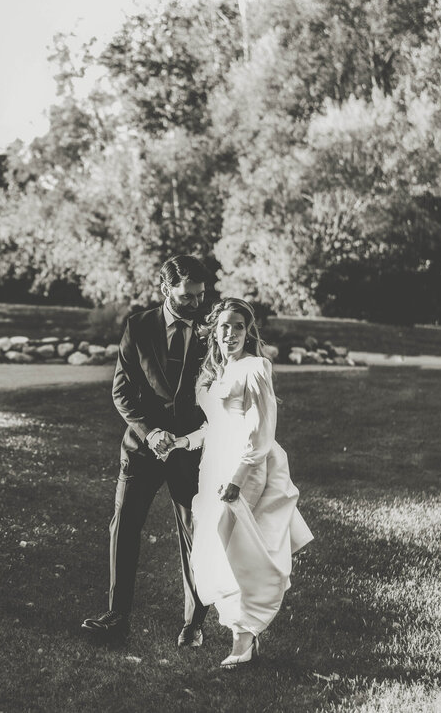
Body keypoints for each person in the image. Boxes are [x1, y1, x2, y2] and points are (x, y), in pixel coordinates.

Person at [161, 297, 313, 668]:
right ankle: (243, 637)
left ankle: (242, 642)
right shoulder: (214, 372)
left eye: (239, 326)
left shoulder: (255, 367)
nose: (230, 333)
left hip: (243, 469)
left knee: (238, 552)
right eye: (224, 326)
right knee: (216, 551)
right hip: (213, 467)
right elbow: (215, 425)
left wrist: (237, 479)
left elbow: (260, 431)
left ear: (249, 332)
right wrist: (185, 442)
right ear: (214, 329)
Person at [81, 255, 211, 647]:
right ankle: (116, 617)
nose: (194, 304)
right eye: (187, 296)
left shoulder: (209, 330)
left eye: (200, 296)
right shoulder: (138, 327)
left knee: (195, 533)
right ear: (165, 289)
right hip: (142, 448)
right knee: (124, 526)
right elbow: (122, 391)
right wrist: (150, 431)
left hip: (191, 450)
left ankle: (194, 623)